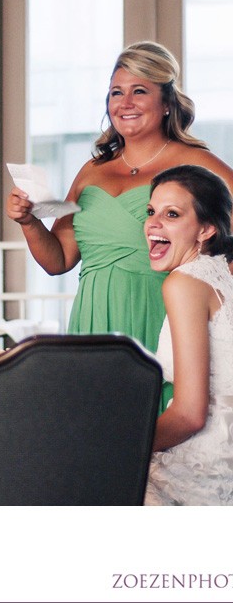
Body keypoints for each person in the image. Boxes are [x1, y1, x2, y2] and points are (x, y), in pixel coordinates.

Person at [6, 41, 233, 412]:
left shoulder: (196, 162)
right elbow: (58, 260)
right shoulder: (92, 170)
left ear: (167, 103)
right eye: (116, 92)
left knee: (154, 430)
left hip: (161, 315)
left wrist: (212, 299)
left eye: (139, 91)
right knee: (95, 430)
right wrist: (29, 221)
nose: (125, 103)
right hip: (92, 322)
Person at [142, 165, 233, 505]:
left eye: (172, 214)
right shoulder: (223, 273)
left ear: (206, 229)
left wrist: (119, 447)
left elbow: (189, 415)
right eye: (151, 211)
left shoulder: (185, 282)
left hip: (205, 464)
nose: (153, 223)